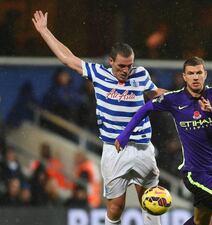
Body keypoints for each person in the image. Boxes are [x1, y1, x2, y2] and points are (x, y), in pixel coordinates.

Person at [32, 10, 165, 225]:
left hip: (142, 146)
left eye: (129, 65)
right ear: (111, 61)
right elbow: (68, 58)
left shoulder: (140, 74)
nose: (126, 70)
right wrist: (45, 31)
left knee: (151, 200)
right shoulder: (98, 74)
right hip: (114, 148)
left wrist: (185, 97)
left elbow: (155, 93)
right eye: (121, 66)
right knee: (116, 206)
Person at [115, 57, 212, 225]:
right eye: (191, 73)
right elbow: (145, 108)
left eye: (199, 73)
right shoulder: (174, 99)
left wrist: (211, 112)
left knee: (201, 221)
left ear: (205, 74)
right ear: (184, 77)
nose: (195, 77)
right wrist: (124, 135)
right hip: (195, 174)